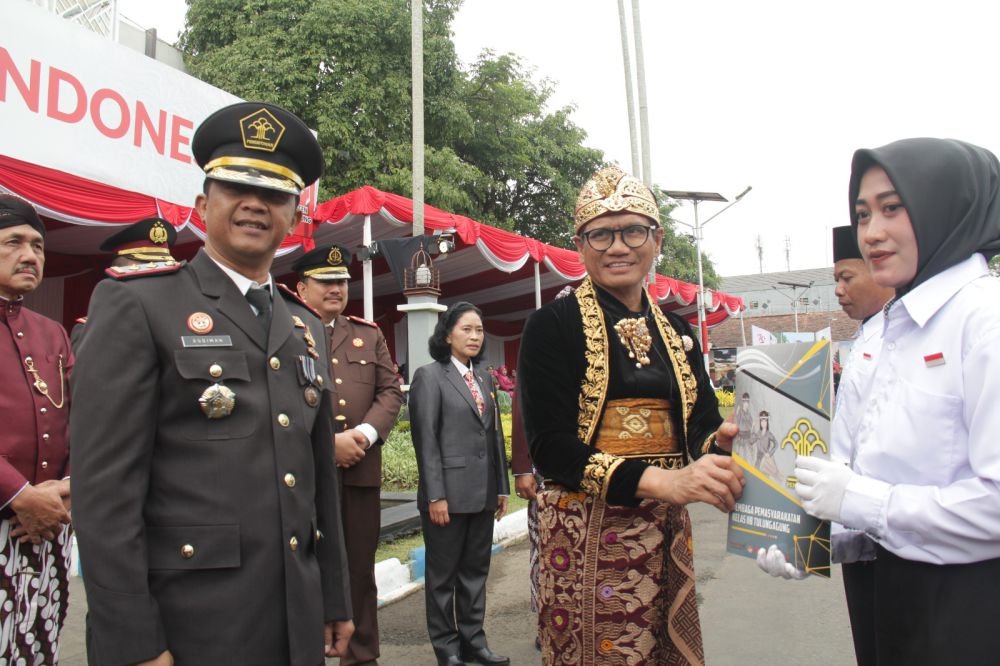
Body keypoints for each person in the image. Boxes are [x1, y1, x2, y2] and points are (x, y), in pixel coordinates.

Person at [71, 101, 354, 666]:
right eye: (233, 188)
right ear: (202, 205)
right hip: (187, 623)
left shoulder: (304, 327)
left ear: (296, 216)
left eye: (275, 194)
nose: (255, 204)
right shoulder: (138, 305)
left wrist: (334, 596)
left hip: (293, 618)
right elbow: (105, 494)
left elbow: (319, 476)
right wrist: (133, 641)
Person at [775, 138, 1000, 664]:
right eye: (862, 213)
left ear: (946, 205)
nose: (871, 233)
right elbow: (859, 485)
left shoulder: (985, 321)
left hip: (968, 604)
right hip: (885, 593)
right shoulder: (882, 334)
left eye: (892, 208)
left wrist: (859, 501)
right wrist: (809, 544)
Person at [519, 165, 744, 665]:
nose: (616, 246)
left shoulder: (677, 329)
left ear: (657, 239)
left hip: (665, 528)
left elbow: (700, 425)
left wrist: (723, 444)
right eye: (600, 234)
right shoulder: (552, 325)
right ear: (580, 245)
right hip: (585, 532)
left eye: (632, 231)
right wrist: (665, 484)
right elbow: (551, 448)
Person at [293, 243, 404, 666]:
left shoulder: (368, 333)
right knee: (302, 567)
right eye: (326, 281)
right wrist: (326, 444)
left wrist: (364, 433)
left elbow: (389, 390)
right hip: (300, 474)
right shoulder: (283, 329)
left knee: (359, 571)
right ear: (302, 287)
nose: (337, 288)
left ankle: (361, 656)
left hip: (359, 470)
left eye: (341, 281)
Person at [409, 302, 511, 666]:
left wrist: (501, 487)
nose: (474, 336)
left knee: (475, 574)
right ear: (448, 334)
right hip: (446, 497)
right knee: (442, 579)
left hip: (482, 493)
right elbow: (426, 440)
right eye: (466, 329)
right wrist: (436, 494)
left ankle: (474, 643)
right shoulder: (429, 376)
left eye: (479, 330)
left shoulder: (484, 376)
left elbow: (495, 438)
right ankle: (447, 649)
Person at [0, 195, 72, 663]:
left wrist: (71, 489)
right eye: (14, 243)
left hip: (49, 532)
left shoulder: (51, 332)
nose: (31, 255)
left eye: (39, 246)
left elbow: (88, 423)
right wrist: (19, 495)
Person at [70, 216, 179, 347]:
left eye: (162, 267)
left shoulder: (178, 323)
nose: (158, 276)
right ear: (118, 271)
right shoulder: (91, 328)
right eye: (145, 266)